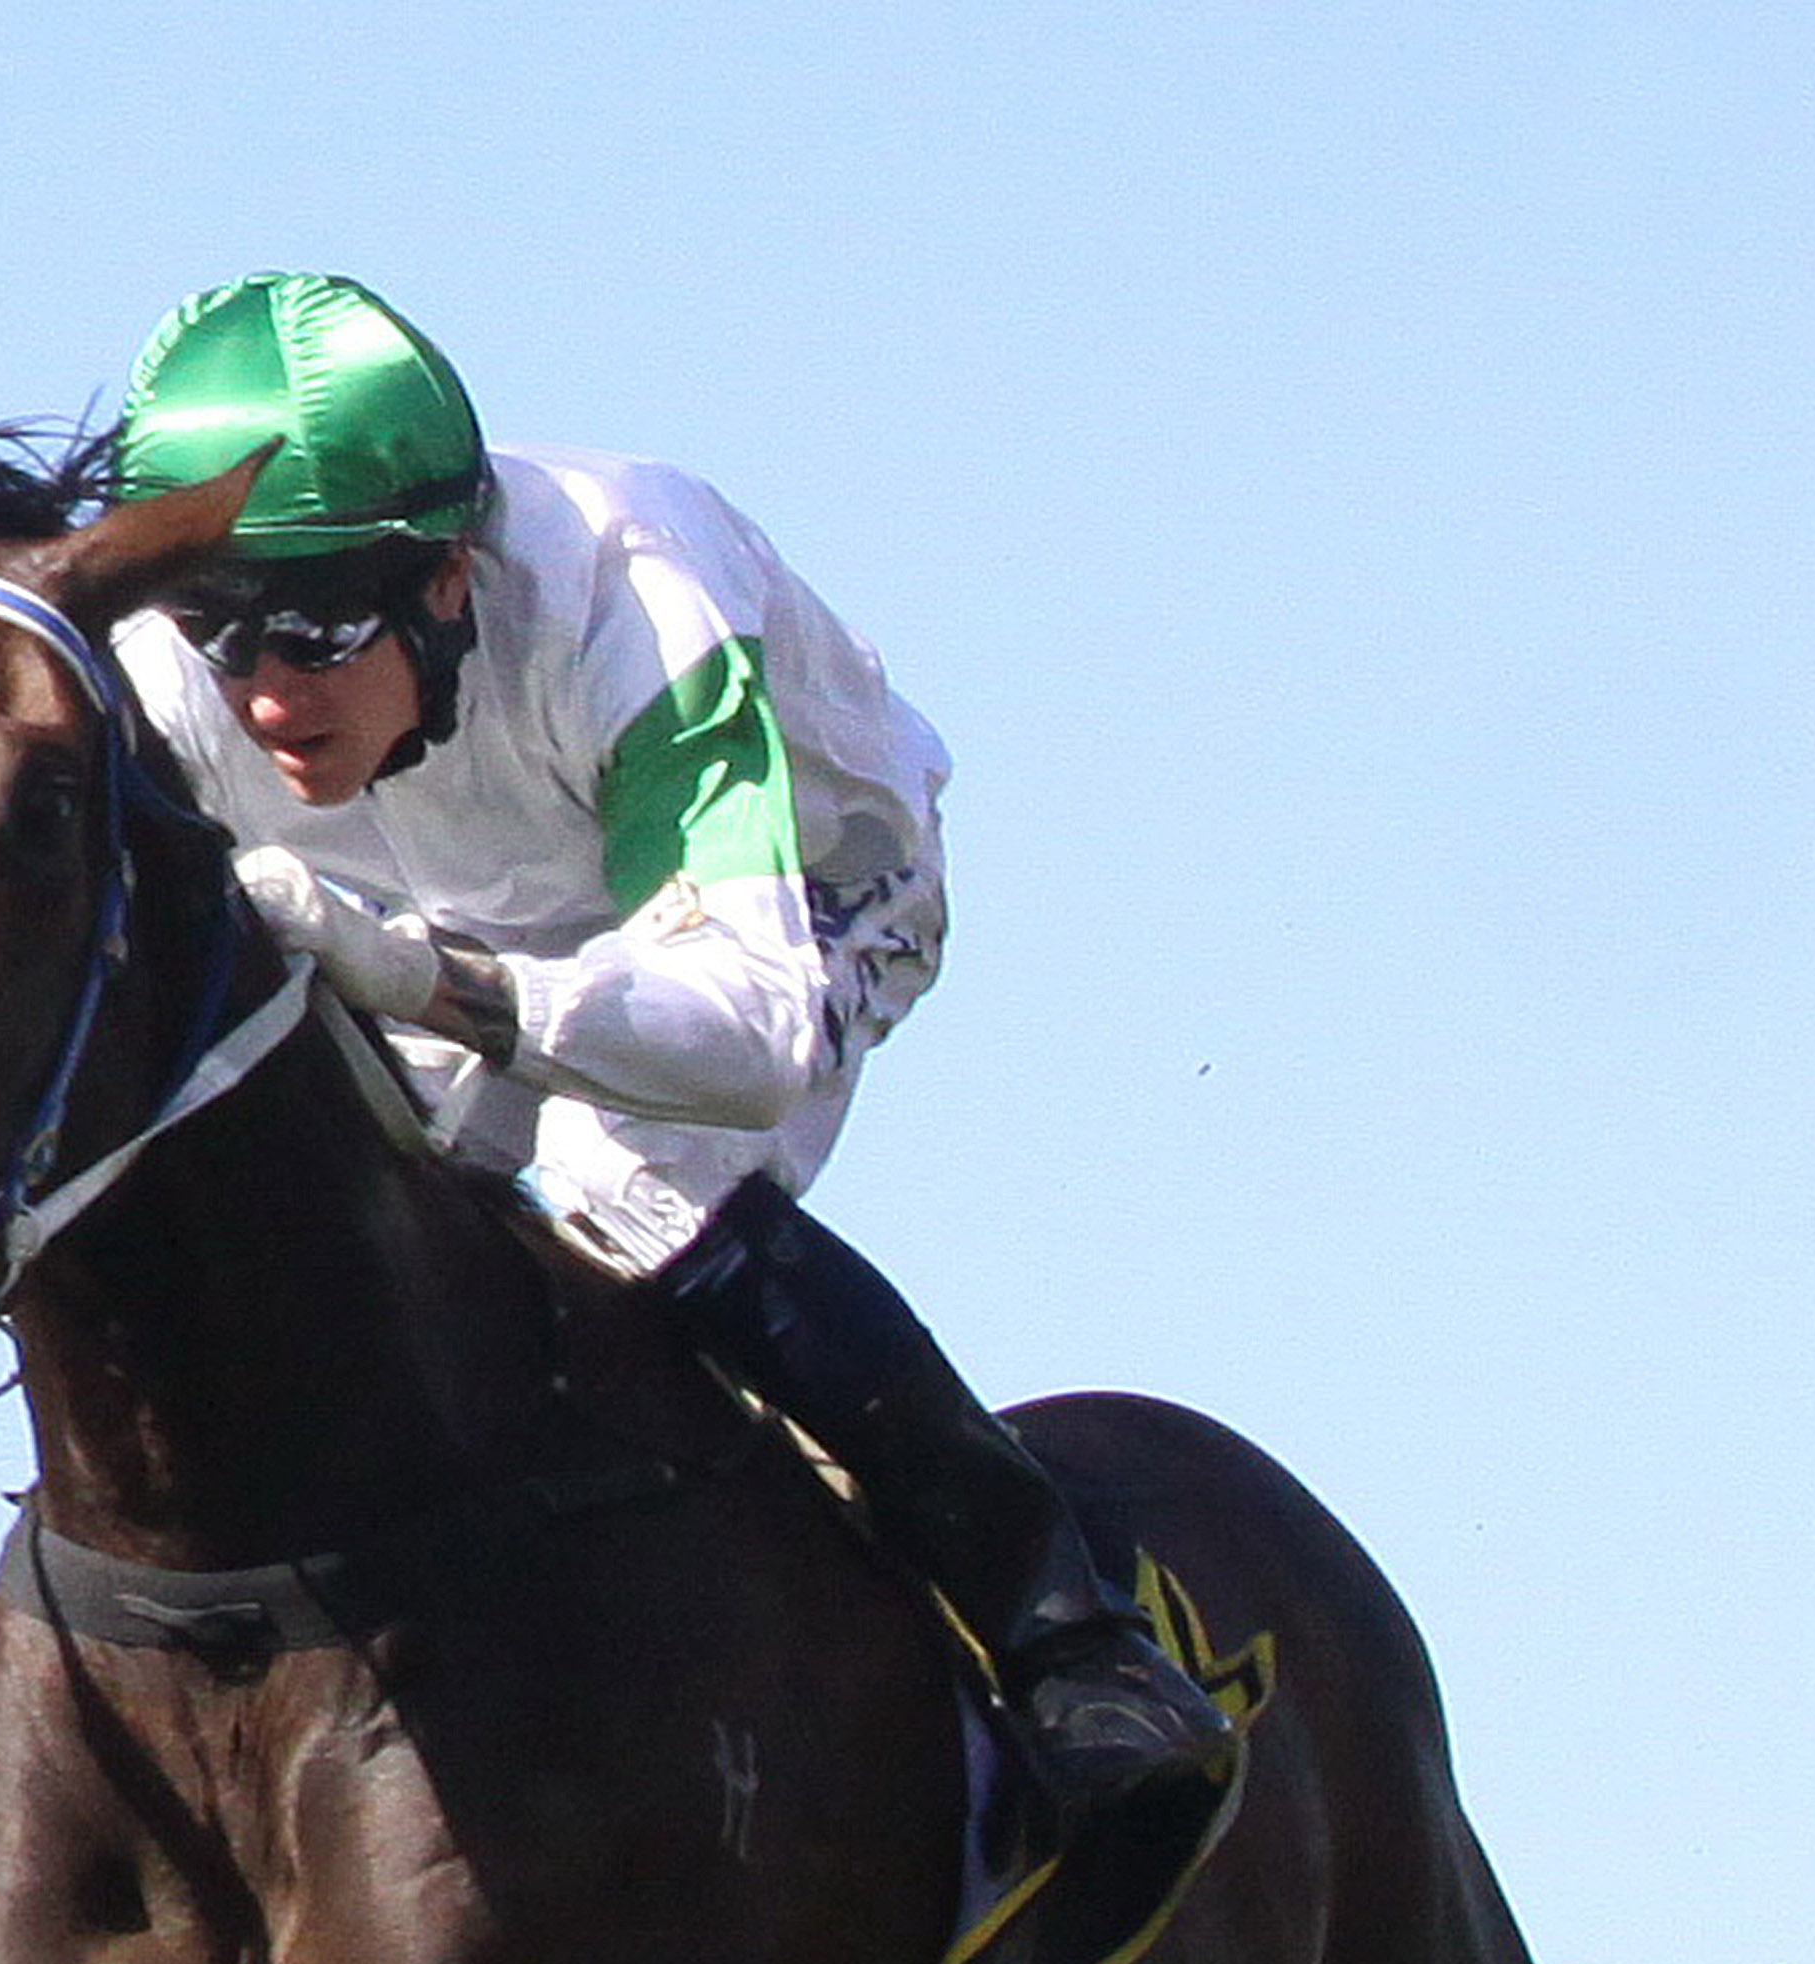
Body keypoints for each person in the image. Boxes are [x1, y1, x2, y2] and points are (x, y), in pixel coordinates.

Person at [104, 270, 1228, 1822]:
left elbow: (749, 1034)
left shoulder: (631, 579)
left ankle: (1061, 1626)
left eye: (315, 627)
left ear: (448, 576)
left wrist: (429, 983)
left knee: (619, 1185)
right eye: (216, 626)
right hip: (449, 926)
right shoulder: (178, 676)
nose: (265, 695)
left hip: (789, 911)